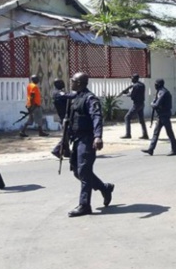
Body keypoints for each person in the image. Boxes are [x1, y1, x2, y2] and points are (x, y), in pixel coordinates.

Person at [66, 72, 115, 217]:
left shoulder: (90, 98)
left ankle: (84, 205)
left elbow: (97, 117)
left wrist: (98, 136)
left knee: (84, 171)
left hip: (87, 140)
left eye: (73, 80)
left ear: (79, 83)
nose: (71, 82)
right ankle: (104, 188)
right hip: (76, 139)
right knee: (77, 171)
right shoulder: (76, 97)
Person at [141, 79, 176, 156]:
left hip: (164, 115)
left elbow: (156, 104)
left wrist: (152, 104)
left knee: (169, 133)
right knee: (156, 133)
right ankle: (151, 149)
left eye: (156, 84)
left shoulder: (163, 92)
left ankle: (175, 150)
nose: (154, 85)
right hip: (161, 116)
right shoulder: (160, 91)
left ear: (159, 84)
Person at [119, 73, 149, 140]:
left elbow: (132, 95)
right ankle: (145, 134)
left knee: (127, 117)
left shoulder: (135, 86)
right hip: (141, 104)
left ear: (135, 78)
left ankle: (128, 134)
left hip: (137, 104)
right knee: (141, 120)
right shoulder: (142, 85)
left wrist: (126, 93)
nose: (131, 79)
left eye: (132, 78)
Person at [51, 78, 71, 159]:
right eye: (61, 82)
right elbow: (69, 96)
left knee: (67, 133)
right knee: (68, 134)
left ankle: (66, 152)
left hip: (64, 116)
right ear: (58, 84)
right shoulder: (58, 93)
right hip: (64, 116)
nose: (63, 84)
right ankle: (57, 149)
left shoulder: (58, 92)